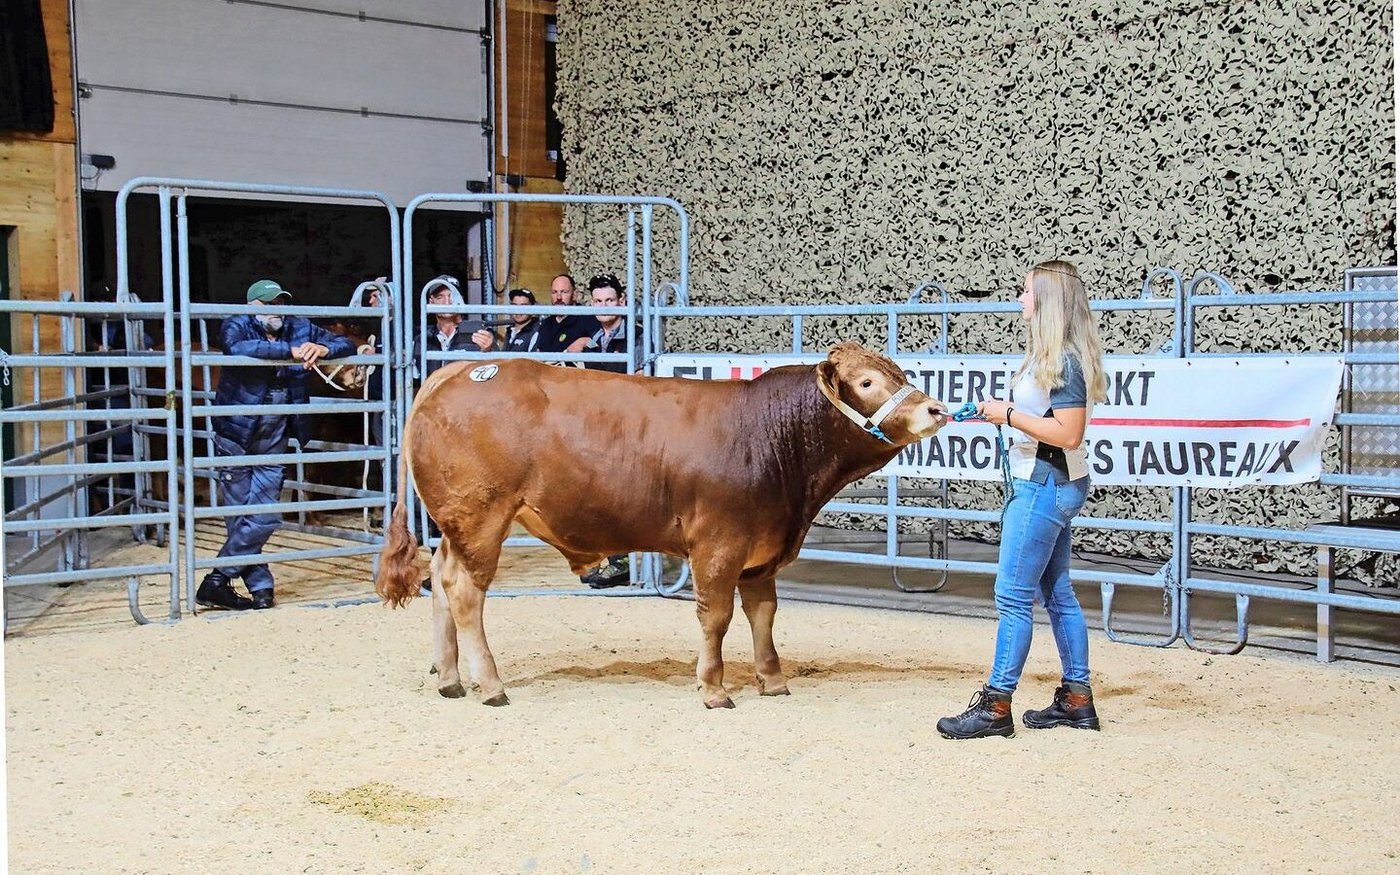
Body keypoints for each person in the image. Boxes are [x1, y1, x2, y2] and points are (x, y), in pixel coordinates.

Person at [936, 260, 1109, 739]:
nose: (1020, 299)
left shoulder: (1064, 362)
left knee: (1012, 595)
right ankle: (1077, 700)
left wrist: (1006, 413)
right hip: (1051, 482)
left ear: (1047, 301)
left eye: (1027, 291)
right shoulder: (1057, 357)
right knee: (1057, 594)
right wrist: (996, 412)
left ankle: (995, 706)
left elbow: (1068, 434)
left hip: (1043, 484)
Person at [196, 278, 356, 611]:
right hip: (237, 429)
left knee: (264, 513)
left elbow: (344, 343)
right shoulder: (236, 323)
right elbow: (238, 348)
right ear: (253, 306)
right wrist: (291, 352)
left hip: (275, 429)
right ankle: (261, 586)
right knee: (239, 512)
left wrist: (323, 349)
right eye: (270, 305)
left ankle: (217, 579)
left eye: (281, 303)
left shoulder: (298, 325)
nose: (278, 310)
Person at [414, 275, 499, 383]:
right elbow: (414, 380)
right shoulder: (422, 340)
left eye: (452, 296)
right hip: (433, 398)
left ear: (460, 299)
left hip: (465, 397)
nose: (447, 302)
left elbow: (497, 376)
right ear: (431, 302)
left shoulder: (479, 335)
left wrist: (489, 351)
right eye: (440, 297)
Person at [580, 273, 638, 374]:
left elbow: (641, 379)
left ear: (622, 302)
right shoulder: (593, 336)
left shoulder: (636, 335)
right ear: (592, 304)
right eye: (598, 301)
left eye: (609, 300)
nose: (603, 306)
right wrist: (584, 341)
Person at [533, 274, 595, 358]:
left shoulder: (588, 318)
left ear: (574, 294)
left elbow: (599, 345)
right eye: (554, 292)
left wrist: (585, 342)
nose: (558, 297)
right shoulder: (546, 324)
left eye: (564, 292)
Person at [502, 288, 542, 353]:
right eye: (515, 305)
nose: (518, 310)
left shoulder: (537, 331)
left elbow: (533, 361)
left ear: (532, 308)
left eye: (523, 306)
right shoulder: (510, 331)